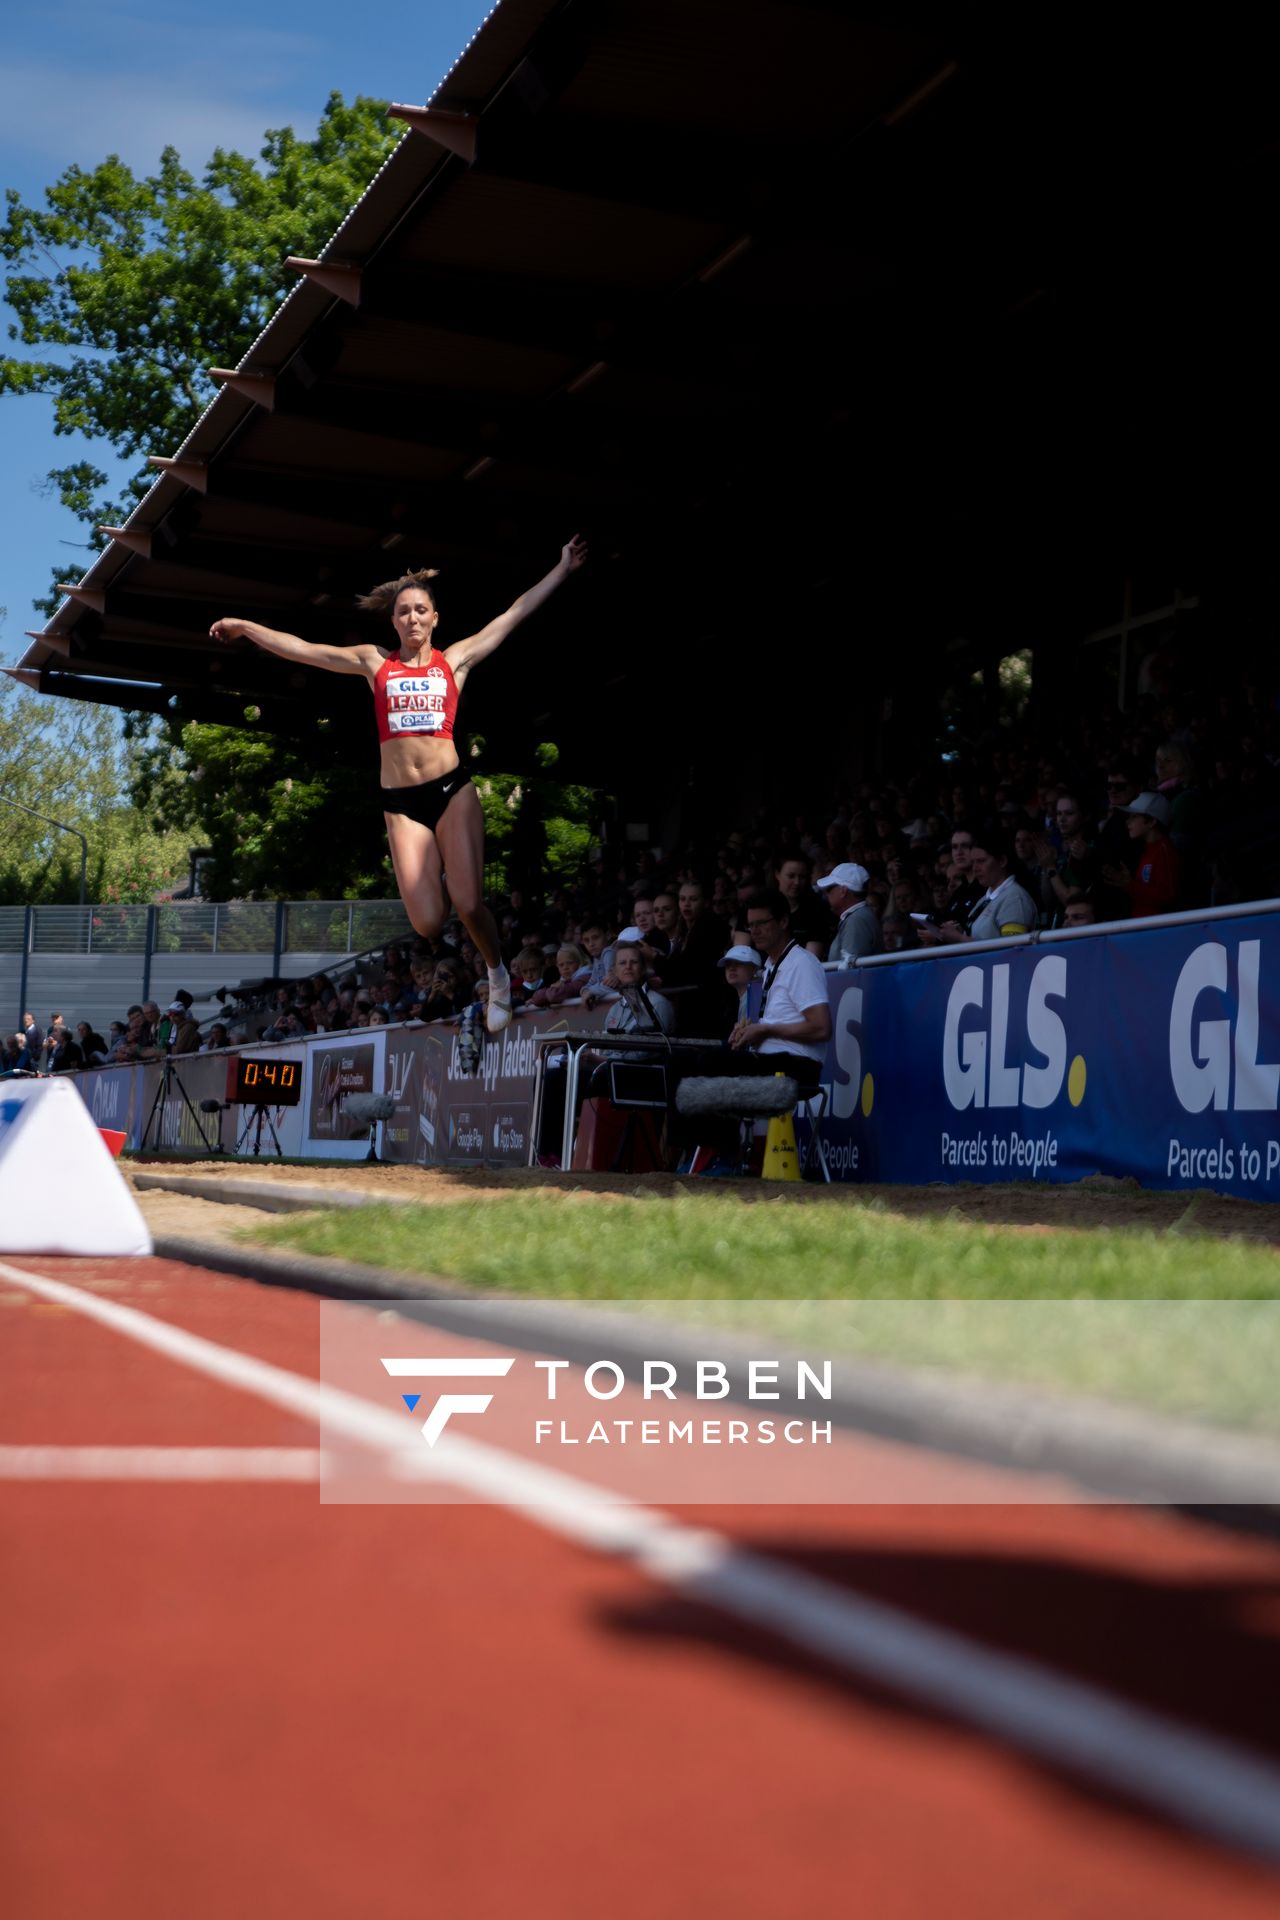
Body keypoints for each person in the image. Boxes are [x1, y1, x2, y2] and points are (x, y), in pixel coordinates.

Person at [211, 534, 587, 1046]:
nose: (412, 618)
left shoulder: (454, 661)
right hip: (402, 804)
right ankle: (455, 920)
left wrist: (561, 569)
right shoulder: (374, 663)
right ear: (394, 622)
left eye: (421, 611)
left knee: (470, 901)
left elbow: (513, 613)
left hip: (451, 789)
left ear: (435, 618)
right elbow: (304, 650)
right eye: (403, 612)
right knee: (430, 922)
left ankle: (498, 976)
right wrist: (247, 627)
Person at [729, 889, 832, 1089]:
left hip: (796, 1065)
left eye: (761, 923)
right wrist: (747, 1033)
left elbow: (821, 1028)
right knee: (686, 1061)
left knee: (706, 1064)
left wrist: (765, 1030)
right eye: (750, 925)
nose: (754, 931)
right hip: (774, 1060)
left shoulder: (802, 962)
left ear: (783, 922)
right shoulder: (770, 966)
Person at [816, 862, 882, 963]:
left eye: (829, 889)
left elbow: (850, 973)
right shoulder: (857, 917)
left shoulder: (856, 921)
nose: (826, 894)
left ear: (843, 891)